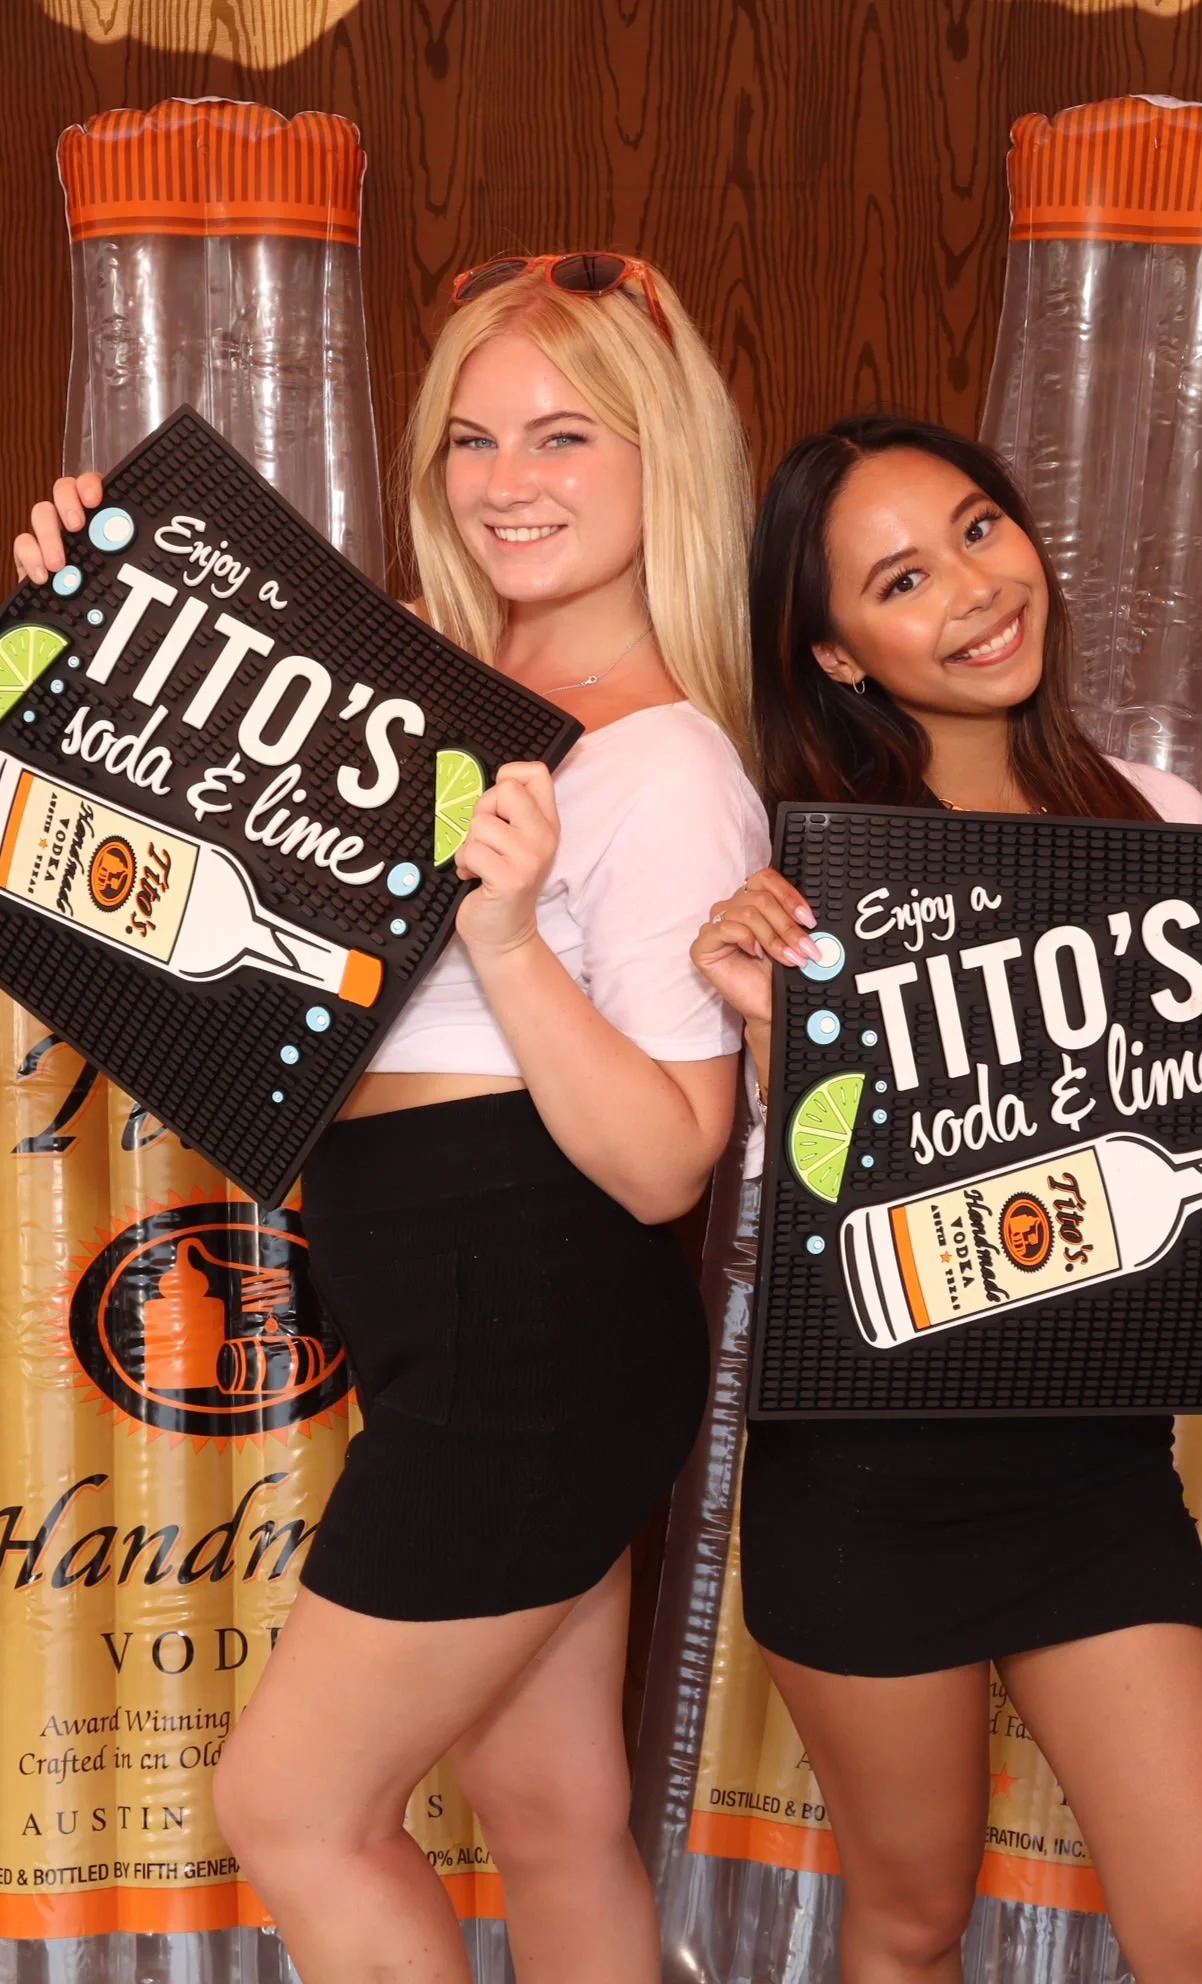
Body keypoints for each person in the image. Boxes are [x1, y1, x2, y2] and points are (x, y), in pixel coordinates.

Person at [16, 252, 769, 1984]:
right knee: (555, 1818)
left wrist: (501, 937)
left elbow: (666, 1159)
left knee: (294, 1812)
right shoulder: (425, 698)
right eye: (472, 441)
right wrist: (89, 588)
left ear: (664, 459)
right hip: (463, 1317)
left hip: (534, 1330)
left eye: (567, 437)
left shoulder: (660, 767)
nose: (511, 484)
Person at [691, 414, 1202, 1984]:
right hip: (867, 1484)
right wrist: (772, 1026)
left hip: (1094, 1474)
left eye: (980, 529)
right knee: (908, 1923)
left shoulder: (1162, 822)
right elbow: (789, 1209)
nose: (975, 591)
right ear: (835, 654)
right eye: (902, 578)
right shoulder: (803, 884)